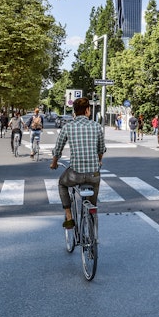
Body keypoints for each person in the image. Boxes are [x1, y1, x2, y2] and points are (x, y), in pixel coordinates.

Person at [50, 97, 106, 228]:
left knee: (62, 184)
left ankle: (69, 216)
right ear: (87, 110)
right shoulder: (97, 127)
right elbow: (101, 149)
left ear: (74, 112)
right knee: (93, 204)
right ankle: (93, 229)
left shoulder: (68, 127)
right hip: (93, 174)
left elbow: (58, 149)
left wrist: (54, 163)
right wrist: (98, 161)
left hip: (75, 174)